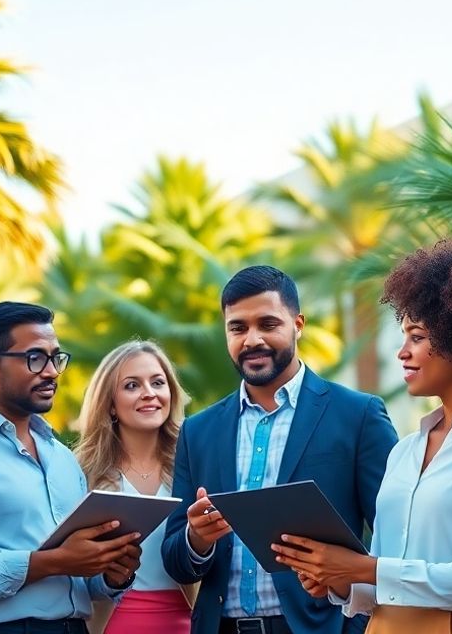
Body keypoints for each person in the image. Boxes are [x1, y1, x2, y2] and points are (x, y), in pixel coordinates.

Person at [272, 239, 452, 634]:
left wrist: (364, 568)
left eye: (417, 337)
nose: (402, 352)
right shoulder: (406, 449)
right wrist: (337, 578)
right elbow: (385, 577)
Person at [161, 265, 399, 634]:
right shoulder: (198, 431)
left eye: (268, 324)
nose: (251, 339)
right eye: (237, 328)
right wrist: (198, 539)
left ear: (298, 324)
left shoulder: (357, 415)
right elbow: (176, 562)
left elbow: (397, 536)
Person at [0, 302, 140, 634]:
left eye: (56, 358)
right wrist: (52, 562)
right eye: (35, 358)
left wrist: (112, 572)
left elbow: (83, 581)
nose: (52, 371)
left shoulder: (61, 456)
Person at [75, 340, 196, 634]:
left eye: (158, 382)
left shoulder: (194, 464)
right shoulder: (81, 472)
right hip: (111, 622)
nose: (149, 393)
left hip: (187, 622)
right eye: (132, 385)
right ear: (110, 404)